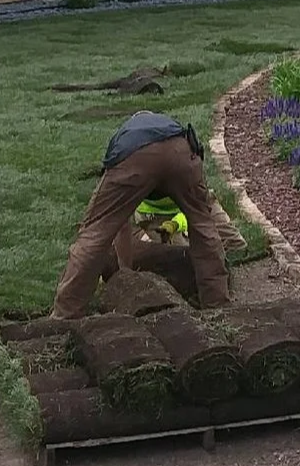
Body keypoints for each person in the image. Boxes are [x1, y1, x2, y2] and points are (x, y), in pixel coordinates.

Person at [50, 111, 232, 317]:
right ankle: (217, 305)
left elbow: (120, 225)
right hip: (182, 152)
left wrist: (124, 272)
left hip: (135, 157)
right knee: (203, 226)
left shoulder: (126, 139)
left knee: (95, 232)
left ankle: (65, 313)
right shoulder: (168, 126)